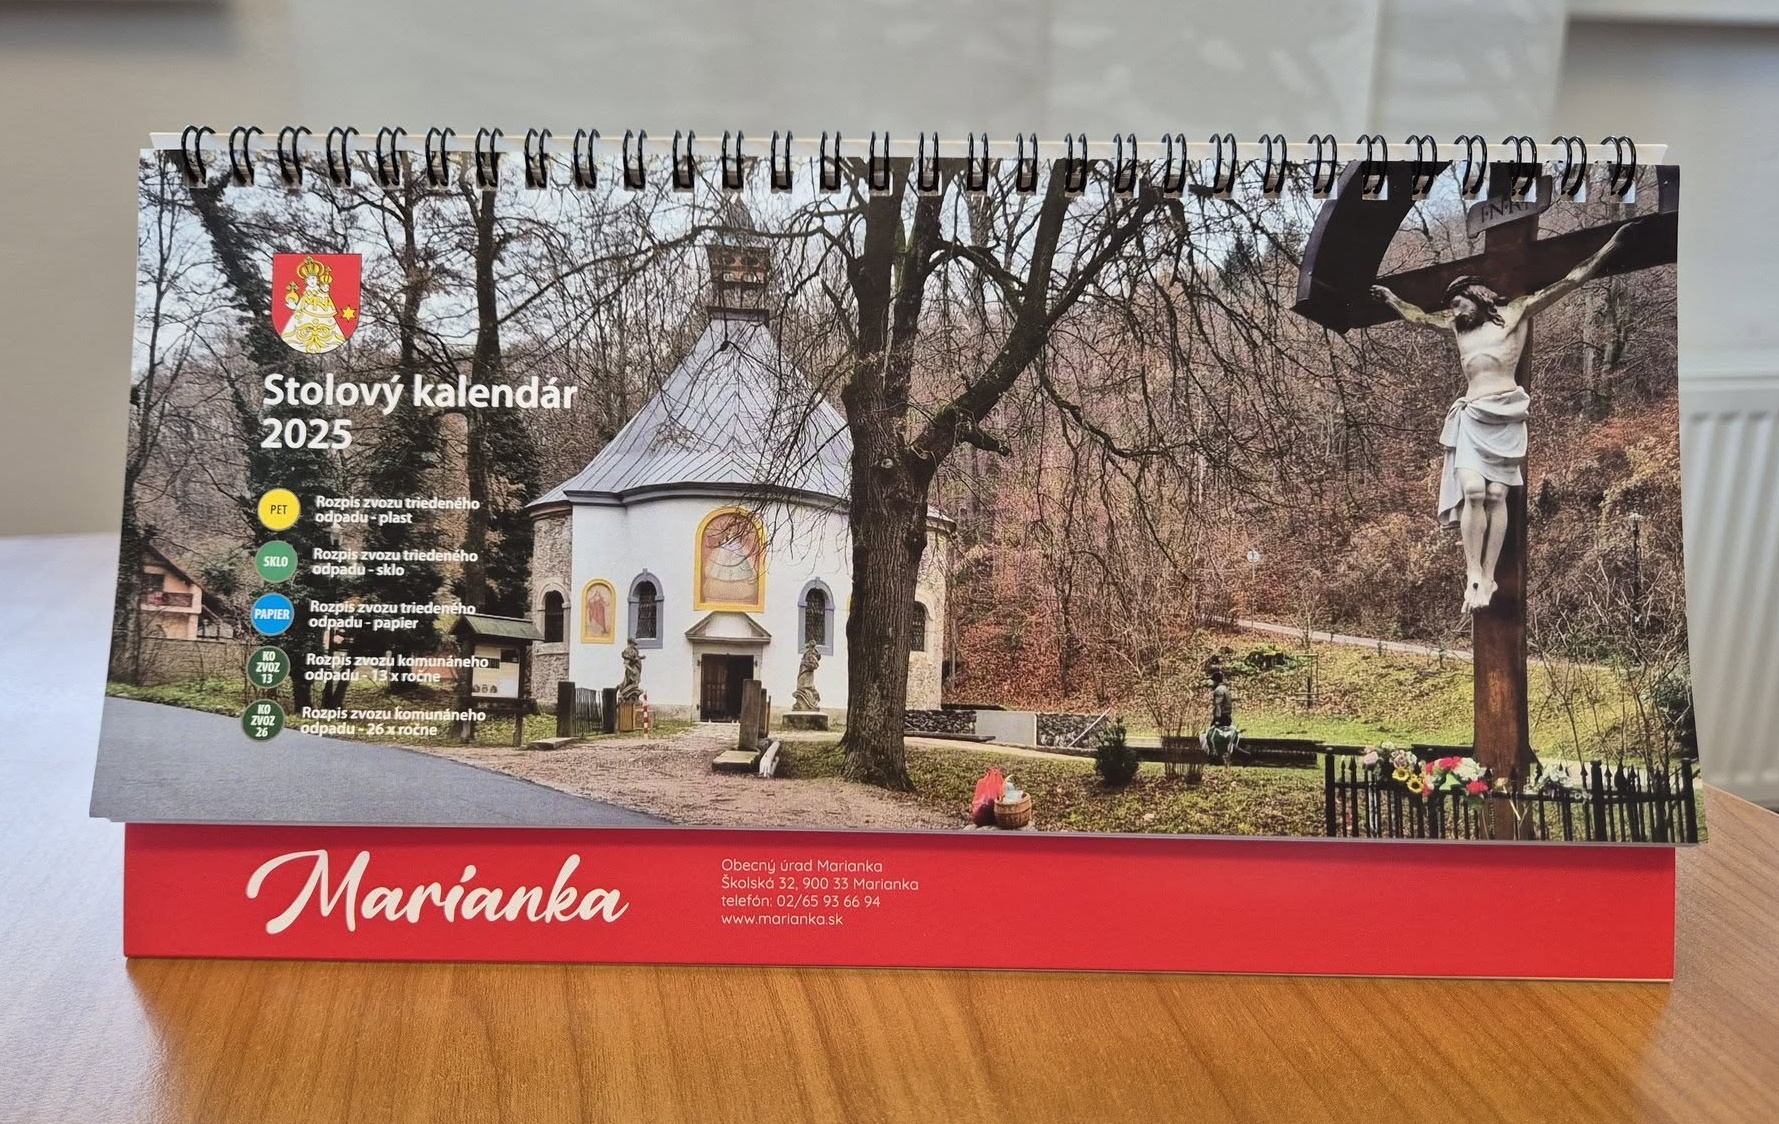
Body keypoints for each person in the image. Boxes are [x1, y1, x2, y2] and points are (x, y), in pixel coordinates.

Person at [1370, 224, 1631, 611]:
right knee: (1473, 490)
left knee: (1496, 494)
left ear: (1476, 296)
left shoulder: (1515, 312)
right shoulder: (1458, 327)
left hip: (1506, 413)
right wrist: (1392, 299)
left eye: (1458, 302)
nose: (1454, 310)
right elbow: (1420, 318)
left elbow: (1572, 280)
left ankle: (1489, 576)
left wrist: (1611, 246)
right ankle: (1473, 574)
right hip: (1472, 416)